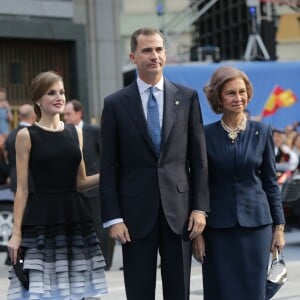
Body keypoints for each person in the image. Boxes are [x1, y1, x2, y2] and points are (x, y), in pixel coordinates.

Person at [100, 27, 209, 300]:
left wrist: (200, 208)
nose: (154, 56)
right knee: (138, 291)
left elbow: (198, 160)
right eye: (147, 50)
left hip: (179, 214)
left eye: (159, 49)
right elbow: (108, 167)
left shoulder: (187, 97)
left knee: (178, 291)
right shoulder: (115, 104)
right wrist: (114, 218)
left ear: (166, 54)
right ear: (133, 56)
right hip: (134, 217)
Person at [7, 71, 107, 299]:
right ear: (37, 100)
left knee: (79, 291)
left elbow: (81, 182)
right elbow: (22, 189)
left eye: (61, 92)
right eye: (51, 92)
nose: (59, 97)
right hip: (41, 218)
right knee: (44, 290)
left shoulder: (75, 132)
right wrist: (16, 233)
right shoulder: (26, 135)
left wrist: (110, 173)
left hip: (75, 217)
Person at [193, 66, 286, 300]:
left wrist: (279, 228)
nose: (238, 98)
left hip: (257, 227)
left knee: (253, 292)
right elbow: (199, 183)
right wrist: (197, 234)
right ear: (218, 98)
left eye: (242, 92)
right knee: (219, 291)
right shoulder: (205, 135)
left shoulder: (262, 131)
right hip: (217, 229)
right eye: (231, 93)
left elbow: (270, 183)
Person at [64, 99, 115, 270]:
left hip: (94, 187)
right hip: (74, 189)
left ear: (79, 113)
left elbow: (106, 157)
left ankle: (104, 262)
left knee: (100, 226)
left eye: (68, 114)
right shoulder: (65, 132)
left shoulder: (93, 131)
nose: (65, 117)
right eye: (64, 115)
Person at [3, 104, 36, 266]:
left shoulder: (10, 136)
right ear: (32, 117)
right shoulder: (31, 134)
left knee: (18, 217)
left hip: (16, 182)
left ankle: (12, 254)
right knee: (27, 217)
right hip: (30, 182)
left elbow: (9, 160)